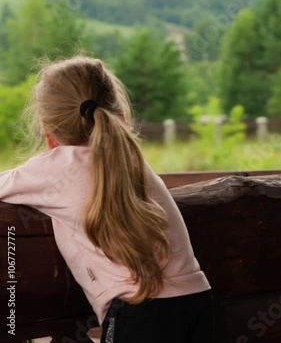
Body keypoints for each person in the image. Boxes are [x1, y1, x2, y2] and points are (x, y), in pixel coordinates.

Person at [0, 56, 214, 343]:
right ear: (117, 115)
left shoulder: (54, 168)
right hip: (197, 301)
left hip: (139, 311)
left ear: (48, 132)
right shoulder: (130, 159)